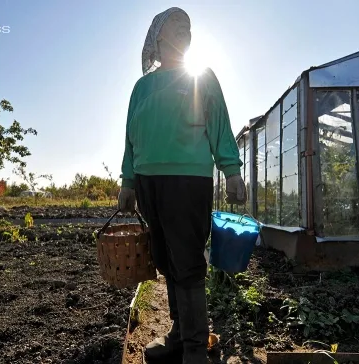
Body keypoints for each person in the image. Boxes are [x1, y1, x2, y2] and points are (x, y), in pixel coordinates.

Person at [117, 7, 246, 363]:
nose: (185, 30)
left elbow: (219, 124)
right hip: (147, 181)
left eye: (189, 27)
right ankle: (178, 335)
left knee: (187, 261)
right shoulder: (141, 88)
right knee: (166, 260)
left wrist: (232, 171)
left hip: (188, 180)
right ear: (158, 36)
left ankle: (194, 348)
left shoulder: (202, 76)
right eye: (177, 25)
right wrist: (128, 181)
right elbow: (130, 137)